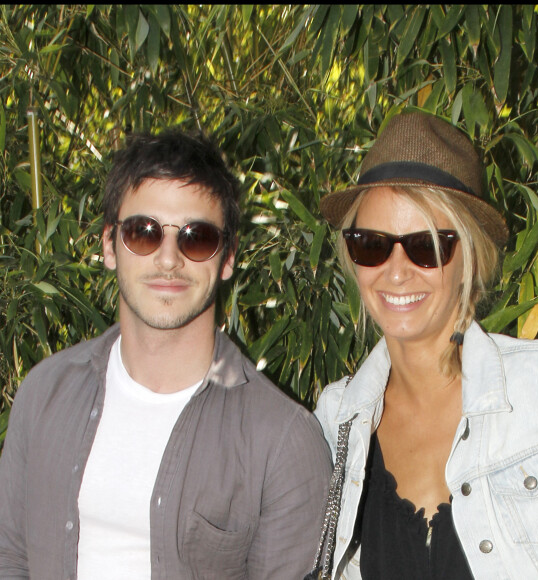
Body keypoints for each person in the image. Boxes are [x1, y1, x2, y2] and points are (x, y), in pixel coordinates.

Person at [0, 130, 331, 579]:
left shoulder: (282, 442)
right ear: (109, 245)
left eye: (196, 238)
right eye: (144, 233)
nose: (169, 258)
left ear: (228, 256)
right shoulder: (43, 395)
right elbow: (11, 560)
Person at [313, 111, 538, 579]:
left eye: (425, 245)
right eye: (372, 245)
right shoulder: (337, 419)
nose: (396, 271)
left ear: (470, 255)